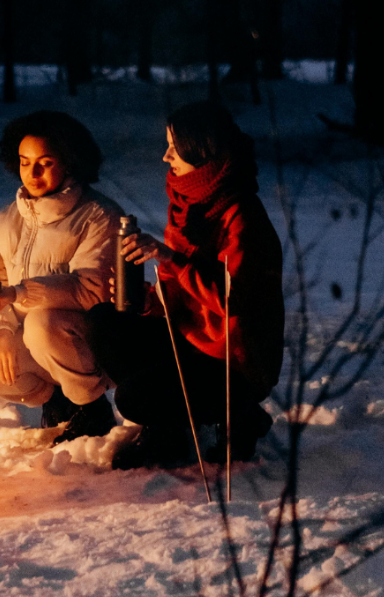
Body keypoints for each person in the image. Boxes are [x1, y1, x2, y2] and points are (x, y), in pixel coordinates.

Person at [87, 101, 283, 469]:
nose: (165, 157)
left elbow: (234, 301)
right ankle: (169, 433)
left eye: (174, 148)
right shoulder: (186, 202)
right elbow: (177, 292)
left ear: (201, 148)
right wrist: (145, 302)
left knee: (133, 398)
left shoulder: (241, 215)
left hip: (232, 362)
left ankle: (240, 414)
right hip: (189, 338)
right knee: (104, 321)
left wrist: (170, 259)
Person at [0, 110, 125, 444]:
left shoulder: (98, 215)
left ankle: (91, 407)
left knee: (41, 324)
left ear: (68, 161)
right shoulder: (2, 223)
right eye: (24, 162)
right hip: (34, 341)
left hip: (92, 343)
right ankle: (57, 402)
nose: (32, 173)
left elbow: (91, 289)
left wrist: (20, 293)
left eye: (45, 162)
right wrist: (3, 330)